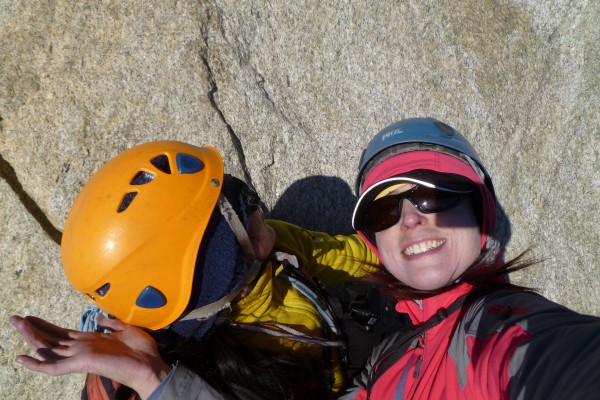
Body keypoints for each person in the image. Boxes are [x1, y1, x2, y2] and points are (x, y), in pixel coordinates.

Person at [10, 140, 405, 400]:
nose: (257, 205)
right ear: (215, 266)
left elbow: (340, 255)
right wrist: (151, 377)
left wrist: (411, 262)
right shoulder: (213, 371)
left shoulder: (273, 249)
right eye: (241, 204)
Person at [286, 117, 600, 399]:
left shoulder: (503, 329)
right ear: (377, 244)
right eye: (384, 211)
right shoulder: (384, 358)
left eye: (431, 195)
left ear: (478, 212)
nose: (409, 218)